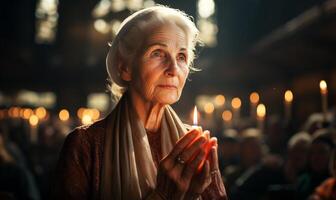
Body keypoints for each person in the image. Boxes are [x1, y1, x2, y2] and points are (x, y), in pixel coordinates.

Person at [52, 6, 227, 200]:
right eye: (158, 53)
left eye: (181, 56)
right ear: (125, 67)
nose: (173, 69)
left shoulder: (193, 145)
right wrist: (162, 195)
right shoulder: (85, 144)